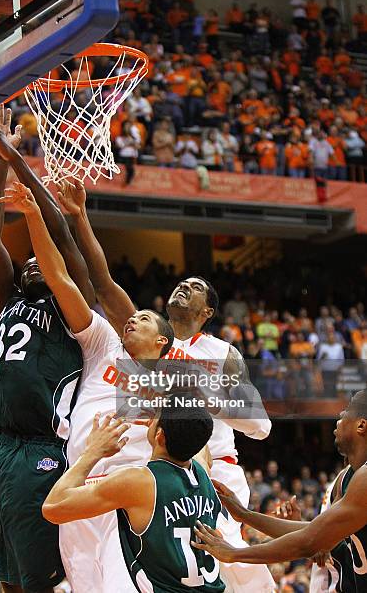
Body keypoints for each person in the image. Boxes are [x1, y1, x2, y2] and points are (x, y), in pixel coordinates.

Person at [55, 181, 274, 592]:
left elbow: (261, 427)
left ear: (207, 311)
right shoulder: (141, 336)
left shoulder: (220, 353)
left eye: (195, 287)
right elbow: (102, 284)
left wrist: (198, 393)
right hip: (148, 473)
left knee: (239, 572)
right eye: (181, 283)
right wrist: (80, 218)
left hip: (211, 471)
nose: (183, 286)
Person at [0, 181, 174, 593]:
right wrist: (37, 216)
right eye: (133, 317)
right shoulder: (103, 344)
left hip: (131, 494)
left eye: (144, 319)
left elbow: (192, 446)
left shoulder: (173, 381)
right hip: (76, 488)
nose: (132, 320)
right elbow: (64, 278)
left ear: (163, 342)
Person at [0, 105, 95, 593]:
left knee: (41, 581)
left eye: (44, 261)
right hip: (2, 450)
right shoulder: (8, 300)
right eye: (27, 264)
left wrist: (15, 153)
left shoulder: (71, 306)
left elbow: (61, 235)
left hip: (45, 448)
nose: (34, 265)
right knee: (7, 577)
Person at [191, 390, 367, 593]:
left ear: (361, 425)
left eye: (346, 412)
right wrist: (244, 514)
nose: (340, 415)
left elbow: (310, 541)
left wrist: (233, 553)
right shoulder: (348, 478)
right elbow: (314, 533)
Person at [42, 404, 225, 592]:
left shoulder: (141, 482)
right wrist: (163, 431)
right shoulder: (203, 472)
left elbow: (54, 507)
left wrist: (93, 452)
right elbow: (200, 443)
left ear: (160, 435)